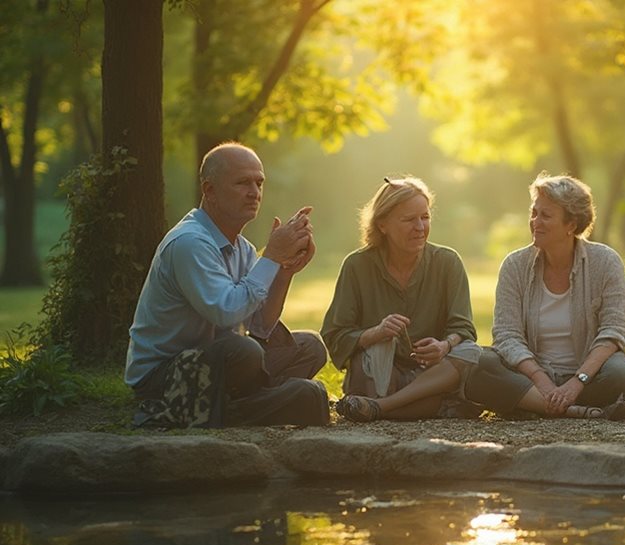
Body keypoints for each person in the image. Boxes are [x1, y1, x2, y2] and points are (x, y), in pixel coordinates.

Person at [126, 142, 330, 428]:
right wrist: (271, 256)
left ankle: (237, 406)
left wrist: (284, 272)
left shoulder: (242, 248)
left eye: (259, 183)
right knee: (246, 352)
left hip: (221, 363)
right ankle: (241, 409)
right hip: (164, 377)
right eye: (242, 183)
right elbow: (226, 312)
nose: (254, 192)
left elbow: (259, 326)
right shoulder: (189, 242)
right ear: (209, 191)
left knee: (310, 346)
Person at [464, 173, 625, 420]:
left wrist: (577, 382)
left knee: (621, 375)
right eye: (534, 213)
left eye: (546, 216)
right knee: (477, 363)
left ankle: (531, 404)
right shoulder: (514, 265)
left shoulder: (605, 261)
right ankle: (576, 411)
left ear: (571, 225)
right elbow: (507, 335)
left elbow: (616, 331)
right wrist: (540, 379)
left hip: (590, 376)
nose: (535, 222)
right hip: (532, 377)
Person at [322, 177, 482, 421]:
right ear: (382, 224)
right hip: (382, 374)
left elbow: (463, 328)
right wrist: (376, 333)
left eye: (425, 217)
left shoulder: (448, 262)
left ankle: (380, 408)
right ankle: (436, 406)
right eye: (409, 219)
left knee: (471, 352)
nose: (420, 227)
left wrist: (444, 346)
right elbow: (335, 335)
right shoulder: (357, 265)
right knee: (374, 356)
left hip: (433, 374)